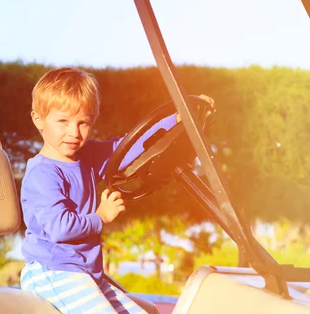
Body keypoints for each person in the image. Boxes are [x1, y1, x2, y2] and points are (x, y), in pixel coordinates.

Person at [19, 67, 212, 313]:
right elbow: (59, 227)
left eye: (83, 123)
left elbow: (128, 147)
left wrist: (176, 119)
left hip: (83, 271)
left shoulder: (85, 156)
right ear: (38, 120)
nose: (74, 133)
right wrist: (101, 217)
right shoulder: (42, 173)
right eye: (63, 121)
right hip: (52, 271)